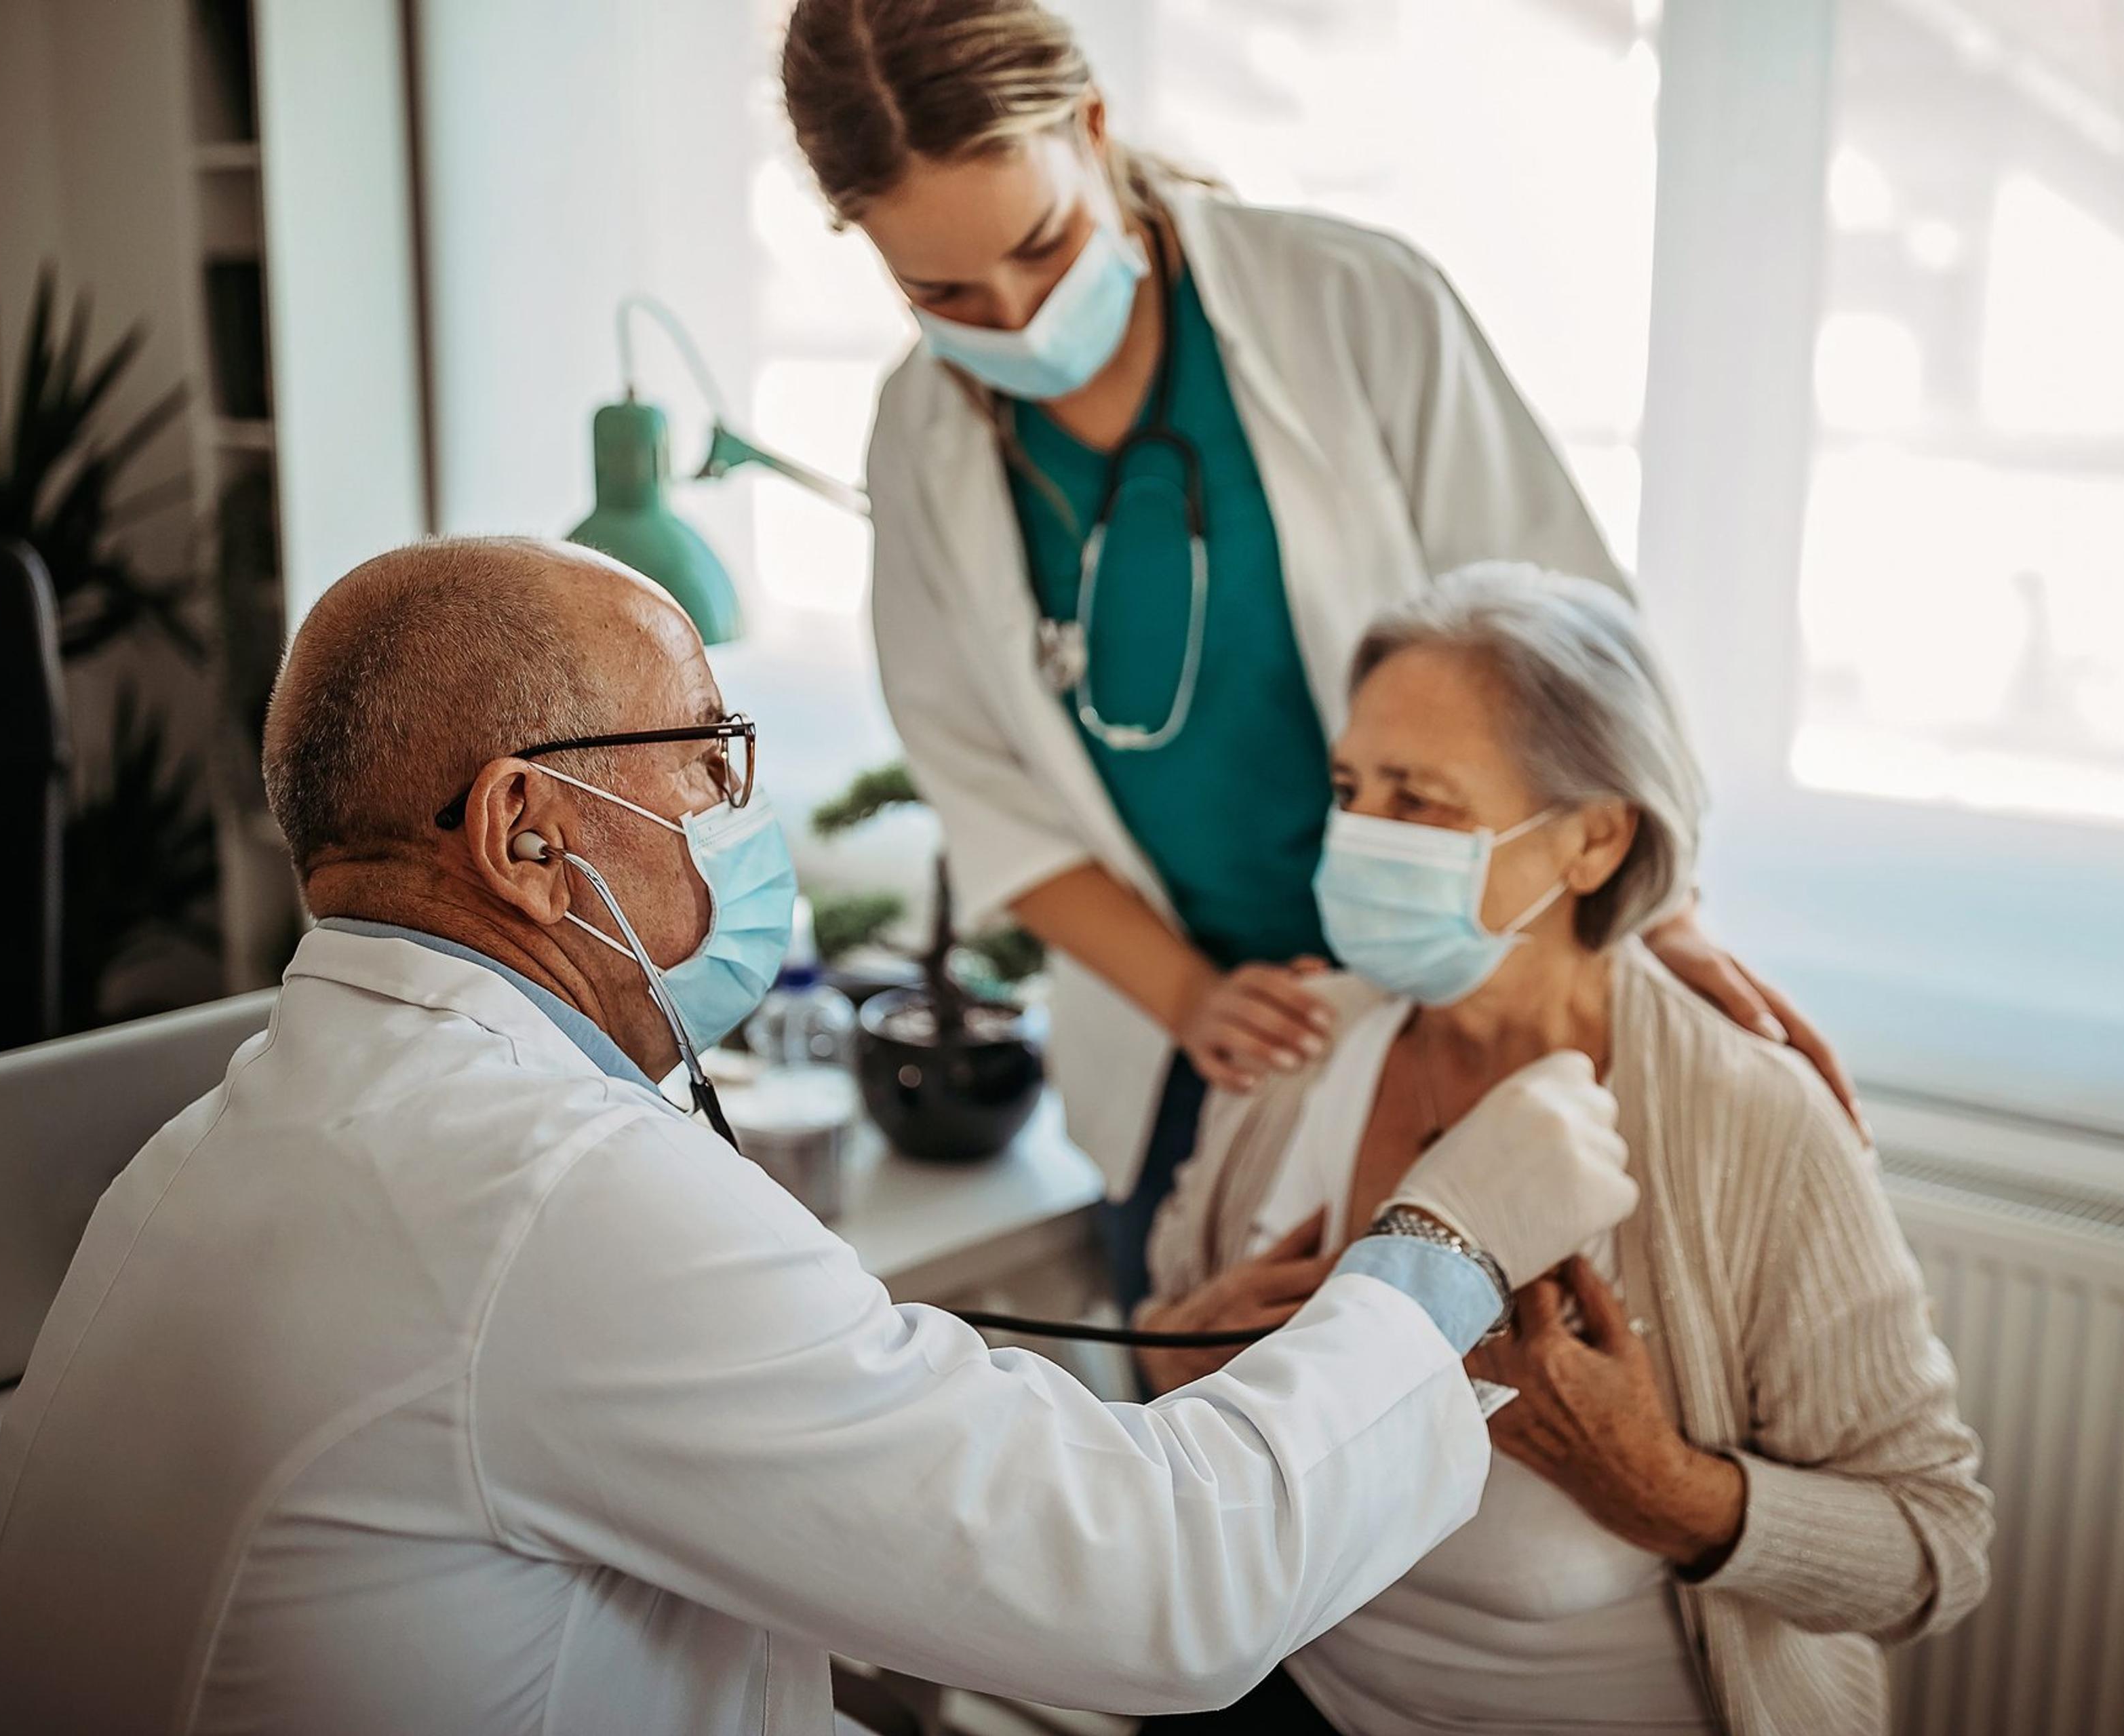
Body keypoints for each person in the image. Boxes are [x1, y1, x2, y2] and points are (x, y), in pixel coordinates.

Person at [0, 539, 1647, 1736]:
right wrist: (1446, 1245)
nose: (741, 810)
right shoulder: (550, 1193)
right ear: (527, 831)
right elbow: (1157, 1584)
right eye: (707, 758)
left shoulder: (214, 1142)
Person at [779, 0, 1859, 1307]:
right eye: (940, 291)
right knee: (1221, 1434)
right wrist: (1188, 996)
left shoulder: (1355, 304)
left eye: (1044, 244)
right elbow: (976, 777)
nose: (1011, 321)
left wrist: (1657, 909)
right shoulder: (919, 435)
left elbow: (1568, 630)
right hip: (1219, 1045)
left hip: (1483, 976)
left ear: (1095, 128)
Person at [1137, 568, 1993, 1736]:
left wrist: (1663, 1489)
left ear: (1592, 838)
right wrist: (1171, 1370)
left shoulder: (1754, 1123)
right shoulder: (1299, 1042)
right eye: (1349, 788)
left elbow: (1930, 1550)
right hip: (1295, 1691)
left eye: (1422, 801)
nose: (1358, 839)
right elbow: (1161, 1346)